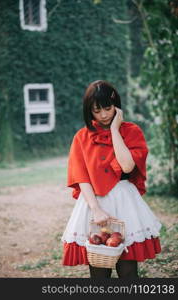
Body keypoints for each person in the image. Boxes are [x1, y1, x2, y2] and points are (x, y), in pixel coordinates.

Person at [61, 80, 162, 278]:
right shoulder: (81, 137)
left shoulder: (131, 131)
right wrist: (96, 209)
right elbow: (82, 177)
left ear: (116, 106)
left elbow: (127, 166)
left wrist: (115, 130)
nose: (104, 115)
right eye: (97, 110)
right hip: (94, 202)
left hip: (125, 202)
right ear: (89, 111)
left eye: (108, 108)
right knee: (99, 270)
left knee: (128, 271)